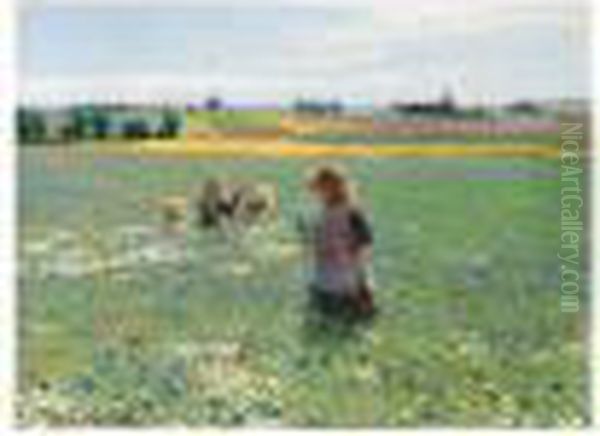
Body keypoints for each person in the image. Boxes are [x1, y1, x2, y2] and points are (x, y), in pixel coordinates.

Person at [303, 164, 376, 320]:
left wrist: (361, 286)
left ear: (334, 187)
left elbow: (364, 249)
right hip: (323, 283)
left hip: (346, 288)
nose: (317, 194)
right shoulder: (323, 214)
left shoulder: (352, 213)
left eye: (319, 188)